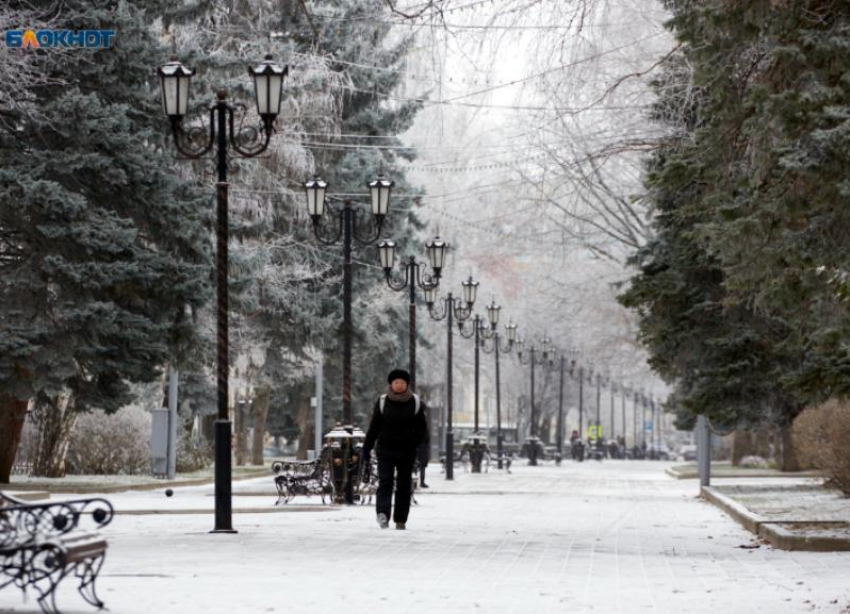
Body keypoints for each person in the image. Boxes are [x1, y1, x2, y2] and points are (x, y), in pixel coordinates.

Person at [362, 369, 428, 530]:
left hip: (407, 450)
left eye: (402, 383)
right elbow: (374, 426)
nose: (399, 385)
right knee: (386, 481)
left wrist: (417, 446)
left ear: (407, 385)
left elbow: (422, 429)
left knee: (404, 484)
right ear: (391, 384)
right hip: (385, 449)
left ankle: (400, 519)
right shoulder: (383, 401)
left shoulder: (416, 403)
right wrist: (367, 447)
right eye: (396, 382)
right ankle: (383, 514)